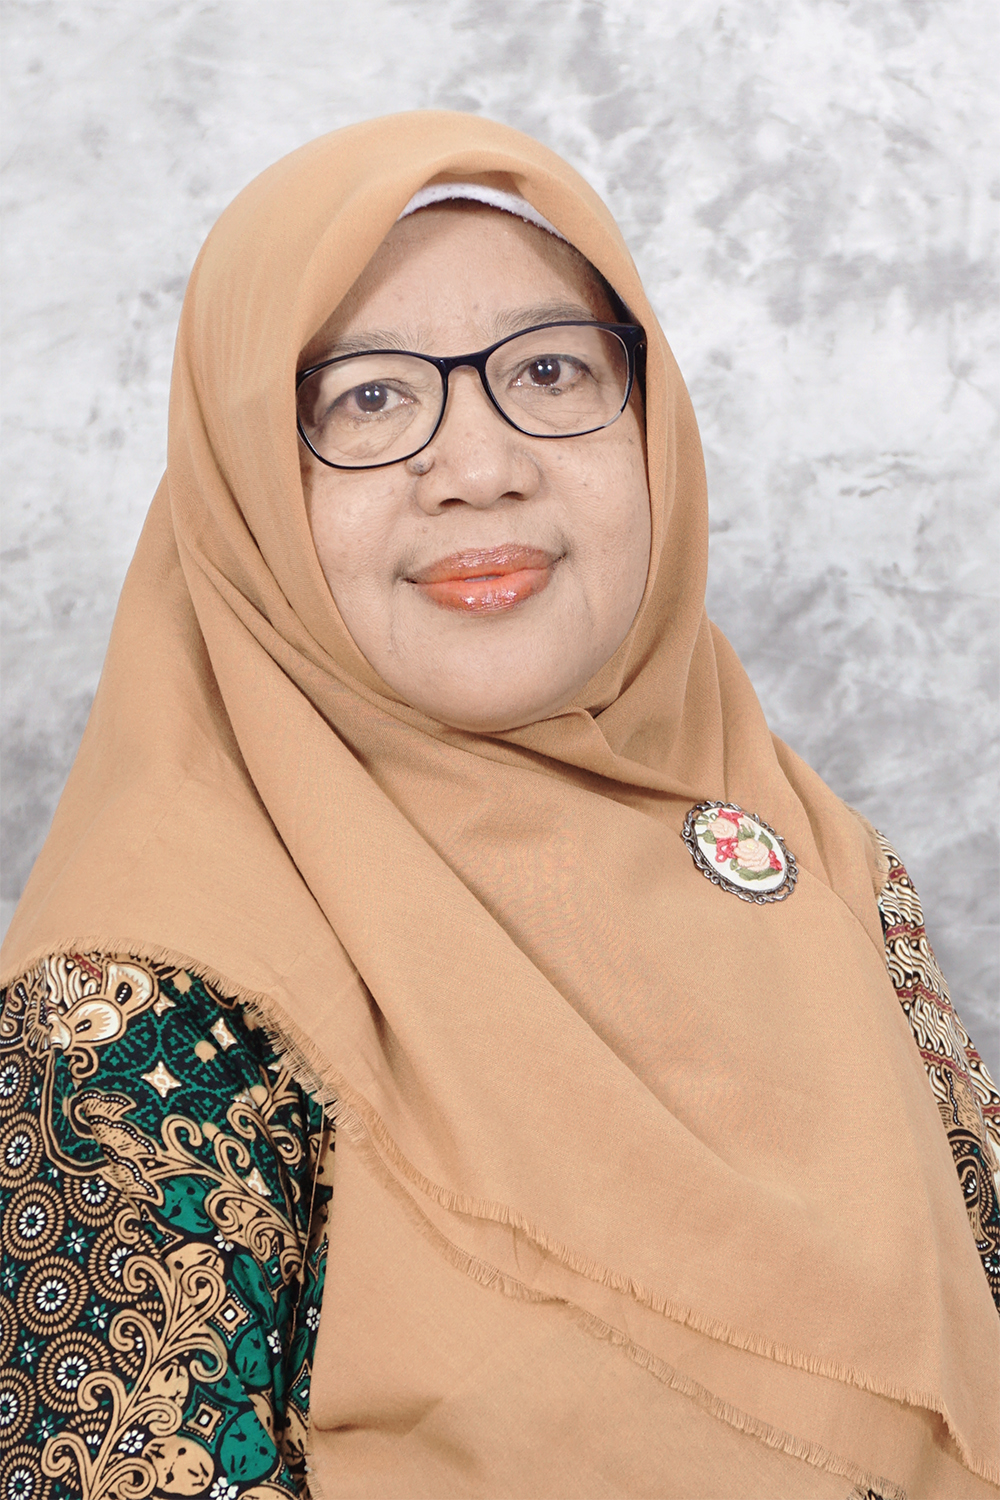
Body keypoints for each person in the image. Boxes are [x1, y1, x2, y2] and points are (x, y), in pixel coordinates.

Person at [0, 111, 997, 1500]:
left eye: (547, 370)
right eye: (369, 399)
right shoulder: (144, 1003)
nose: (480, 467)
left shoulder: (810, 853)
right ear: (247, 488)